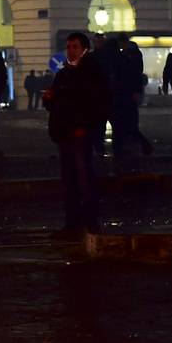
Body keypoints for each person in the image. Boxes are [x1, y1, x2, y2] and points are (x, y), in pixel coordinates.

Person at [44, 31, 110, 234]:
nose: (70, 51)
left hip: (80, 132)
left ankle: (90, 221)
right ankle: (72, 222)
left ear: (84, 49)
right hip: (64, 131)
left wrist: (86, 126)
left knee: (84, 177)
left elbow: (96, 102)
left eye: (75, 47)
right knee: (69, 178)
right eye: (69, 47)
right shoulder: (64, 73)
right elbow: (56, 102)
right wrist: (49, 98)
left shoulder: (91, 71)